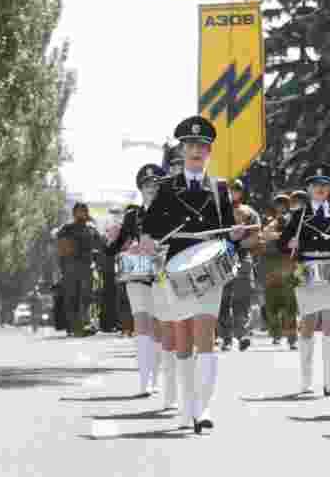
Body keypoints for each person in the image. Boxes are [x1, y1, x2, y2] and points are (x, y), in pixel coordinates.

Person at [143, 116, 250, 433]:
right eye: (190, 144)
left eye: (202, 145)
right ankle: (186, 407)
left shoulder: (219, 188)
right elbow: (150, 226)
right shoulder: (167, 187)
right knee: (184, 339)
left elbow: (228, 231)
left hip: (209, 270)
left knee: (206, 334)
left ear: (209, 151)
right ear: (182, 149)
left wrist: (235, 235)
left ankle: (202, 408)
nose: (196, 150)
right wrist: (147, 239)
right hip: (177, 269)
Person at [279, 164, 330, 396]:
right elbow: (282, 243)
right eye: (315, 185)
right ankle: (306, 381)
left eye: (324, 185)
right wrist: (289, 244)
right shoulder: (298, 216)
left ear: (329, 189)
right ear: (308, 189)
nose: (320, 189)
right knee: (308, 323)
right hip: (307, 269)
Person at [105, 164, 168, 396]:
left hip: (163, 272)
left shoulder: (171, 213)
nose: (151, 188)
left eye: (156, 185)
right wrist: (110, 242)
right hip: (138, 270)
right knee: (141, 323)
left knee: (159, 324)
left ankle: (156, 377)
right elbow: (116, 245)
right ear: (140, 189)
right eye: (147, 185)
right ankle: (144, 380)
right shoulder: (133, 215)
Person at [218, 180, 260, 352]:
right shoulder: (216, 210)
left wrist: (238, 243)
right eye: (229, 189)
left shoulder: (249, 212)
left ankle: (242, 334)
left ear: (241, 192)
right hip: (219, 258)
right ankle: (226, 337)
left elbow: (256, 236)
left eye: (236, 189)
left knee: (243, 298)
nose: (232, 192)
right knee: (223, 299)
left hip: (242, 257)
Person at [57, 203, 107, 337]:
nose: (81, 214)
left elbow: (100, 245)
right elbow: (61, 247)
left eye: (83, 211)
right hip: (73, 267)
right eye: (79, 211)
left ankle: (81, 325)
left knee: (85, 297)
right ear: (74, 213)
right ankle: (75, 326)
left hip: (83, 267)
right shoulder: (69, 229)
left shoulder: (89, 228)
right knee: (74, 297)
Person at [263, 196, 298, 350]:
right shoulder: (269, 220)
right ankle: (276, 334)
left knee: (290, 304)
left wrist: (278, 235)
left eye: (284, 204)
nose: (281, 207)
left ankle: (292, 338)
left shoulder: (293, 220)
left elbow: (295, 238)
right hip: (270, 264)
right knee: (271, 304)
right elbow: (264, 235)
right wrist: (279, 234)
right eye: (278, 204)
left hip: (287, 263)